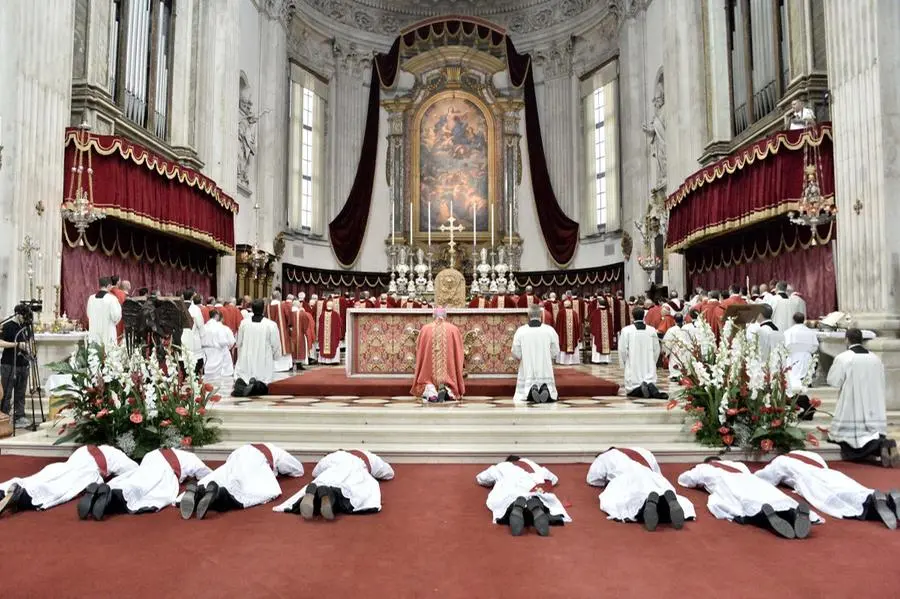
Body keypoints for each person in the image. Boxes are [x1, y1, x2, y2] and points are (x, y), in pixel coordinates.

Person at [678, 456, 819, 539]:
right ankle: (793, 513)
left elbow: (685, 480)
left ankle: (768, 518)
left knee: (744, 507)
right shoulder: (739, 465)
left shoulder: (705, 468)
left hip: (730, 485)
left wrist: (694, 470)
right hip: (755, 483)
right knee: (774, 498)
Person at [756, 450, 900, 529]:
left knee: (839, 501)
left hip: (811, 480)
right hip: (833, 475)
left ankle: (872, 508)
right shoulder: (813, 455)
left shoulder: (781, 460)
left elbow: (763, 479)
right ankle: (886, 500)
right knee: (855, 489)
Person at [0, 444, 137, 517]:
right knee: (57, 490)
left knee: (38, 477)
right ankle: (23, 497)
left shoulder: (87, 448)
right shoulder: (117, 455)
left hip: (62, 467)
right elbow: (134, 470)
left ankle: (4, 490)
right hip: (85, 473)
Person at [826, 328, 898, 467]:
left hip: (852, 402)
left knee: (846, 439)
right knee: (871, 434)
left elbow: (834, 381)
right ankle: (884, 444)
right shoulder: (875, 358)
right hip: (872, 402)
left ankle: (880, 447)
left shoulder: (844, 357)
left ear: (846, 339)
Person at [179, 443, 304, 520]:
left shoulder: (248, 447)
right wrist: (278, 471)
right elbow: (297, 469)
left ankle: (199, 491)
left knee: (226, 479)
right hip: (256, 461)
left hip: (235, 457)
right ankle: (218, 496)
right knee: (260, 492)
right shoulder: (277, 451)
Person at [587, 447, 695, 531]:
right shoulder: (642, 451)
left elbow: (593, 479)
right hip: (653, 477)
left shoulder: (605, 456)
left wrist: (606, 481)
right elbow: (656, 470)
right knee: (659, 490)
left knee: (623, 501)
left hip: (625, 477)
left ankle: (646, 505)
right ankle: (666, 502)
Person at [85, 448, 212, 520]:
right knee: (148, 494)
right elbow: (207, 474)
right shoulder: (191, 458)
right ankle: (113, 500)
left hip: (148, 464)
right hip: (166, 471)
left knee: (135, 480)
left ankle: (101, 494)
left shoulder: (154, 452)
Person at [274, 449, 394, 520]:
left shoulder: (332, 456)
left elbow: (316, 472)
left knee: (324, 484)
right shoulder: (366, 455)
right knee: (355, 496)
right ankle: (328, 496)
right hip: (357, 470)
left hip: (331, 473)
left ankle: (314, 491)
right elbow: (388, 473)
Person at [476, 456, 571, 537]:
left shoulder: (502, 466)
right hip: (534, 489)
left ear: (508, 461)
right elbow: (553, 479)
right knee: (541, 499)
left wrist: (492, 482)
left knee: (506, 502)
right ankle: (536, 504)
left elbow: (482, 478)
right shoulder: (534, 466)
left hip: (511, 489)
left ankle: (515, 505)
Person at [410, 307, 465, 401]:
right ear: (445, 316)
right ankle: (448, 389)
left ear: (433, 316)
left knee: (427, 381)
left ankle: (431, 391)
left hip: (428, 370)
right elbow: (459, 353)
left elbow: (419, 352)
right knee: (449, 379)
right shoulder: (453, 329)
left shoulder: (425, 329)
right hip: (448, 372)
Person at [512, 304, 560, 403]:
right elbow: (556, 350)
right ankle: (545, 389)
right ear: (540, 315)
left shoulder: (521, 331)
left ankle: (531, 390)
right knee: (546, 381)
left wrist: (523, 357)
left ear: (528, 315)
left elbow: (515, 350)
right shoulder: (549, 330)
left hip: (527, 365)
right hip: (544, 365)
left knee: (526, 385)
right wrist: (547, 356)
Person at [234, 299, 282, 396]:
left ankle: (246, 386)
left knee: (244, 378)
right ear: (263, 309)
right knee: (263, 382)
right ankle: (256, 386)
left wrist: (240, 353)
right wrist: (276, 356)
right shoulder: (271, 325)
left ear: (252, 309)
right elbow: (275, 344)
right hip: (263, 358)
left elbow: (239, 342)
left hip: (247, 357)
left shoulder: (244, 323)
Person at [618, 307, 666, 399]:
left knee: (632, 389)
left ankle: (640, 389)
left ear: (633, 316)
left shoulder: (627, 330)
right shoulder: (651, 330)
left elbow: (622, 349)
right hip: (648, 364)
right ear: (644, 316)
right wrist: (653, 362)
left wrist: (625, 362)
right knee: (649, 379)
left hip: (633, 365)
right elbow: (656, 348)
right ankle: (650, 387)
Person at [0, 304, 33, 428]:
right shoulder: (7, 326)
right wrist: (16, 344)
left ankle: (19, 416)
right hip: (9, 363)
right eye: (24, 317)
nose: (25, 320)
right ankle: (3, 416)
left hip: (23, 363)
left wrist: (30, 350)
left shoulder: (26, 327)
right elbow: (0, 342)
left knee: (20, 393)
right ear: (18, 315)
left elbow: (29, 342)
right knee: (6, 392)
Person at [784, 312, 819, 393]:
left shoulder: (788, 332)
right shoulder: (810, 332)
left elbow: (785, 346)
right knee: (806, 380)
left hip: (793, 358)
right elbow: (815, 347)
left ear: (793, 320)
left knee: (793, 382)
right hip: (807, 357)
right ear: (804, 320)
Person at [86, 277, 122, 348]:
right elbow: (116, 316)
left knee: (95, 355)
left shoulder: (91, 298)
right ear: (109, 286)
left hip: (94, 330)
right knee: (108, 354)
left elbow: (89, 314)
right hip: (108, 331)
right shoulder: (112, 299)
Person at [202, 309, 236, 378]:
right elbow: (231, 341)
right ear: (217, 316)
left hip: (206, 355)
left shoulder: (204, 327)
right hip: (220, 354)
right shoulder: (223, 328)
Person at [267, 291, 294, 372]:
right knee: (283, 346)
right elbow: (289, 317)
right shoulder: (282, 306)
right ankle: (284, 367)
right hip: (282, 330)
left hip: (270, 331)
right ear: (279, 297)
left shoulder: (267, 307)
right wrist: (290, 326)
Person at [662, 314, 689, 381]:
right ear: (683, 320)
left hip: (675, 350)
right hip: (686, 350)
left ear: (674, 320)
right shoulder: (687, 329)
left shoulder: (671, 330)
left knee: (675, 363)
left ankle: (676, 375)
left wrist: (666, 352)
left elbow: (667, 342)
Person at [554, 299, 582, 365]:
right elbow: (577, 325)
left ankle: (562, 361)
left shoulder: (560, 313)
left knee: (563, 344)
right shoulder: (574, 313)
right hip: (572, 336)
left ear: (564, 305)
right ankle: (571, 361)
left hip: (563, 335)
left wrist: (558, 333)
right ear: (570, 305)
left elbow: (558, 325)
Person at [317, 299, 343, 365]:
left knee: (324, 345)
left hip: (324, 337)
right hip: (333, 336)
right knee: (333, 344)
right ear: (333, 306)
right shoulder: (336, 314)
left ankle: (324, 361)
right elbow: (340, 324)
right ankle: (333, 361)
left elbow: (320, 326)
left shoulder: (322, 315)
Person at [290, 300, 315, 370]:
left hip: (290, 334)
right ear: (298, 305)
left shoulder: (289, 313)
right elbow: (306, 325)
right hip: (300, 334)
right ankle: (299, 364)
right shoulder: (302, 314)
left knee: (291, 348)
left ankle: (291, 364)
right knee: (300, 348)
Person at [589, 298, 614, 365]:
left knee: (597, 344)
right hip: (606, 335)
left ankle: (597, 360)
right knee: (606, 343)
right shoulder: (608, 313)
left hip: (598, 334)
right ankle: (606, 360)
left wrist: (593, 331)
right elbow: (611, 326)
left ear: (598, 304)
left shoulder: (595, 312)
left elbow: (591, 322)